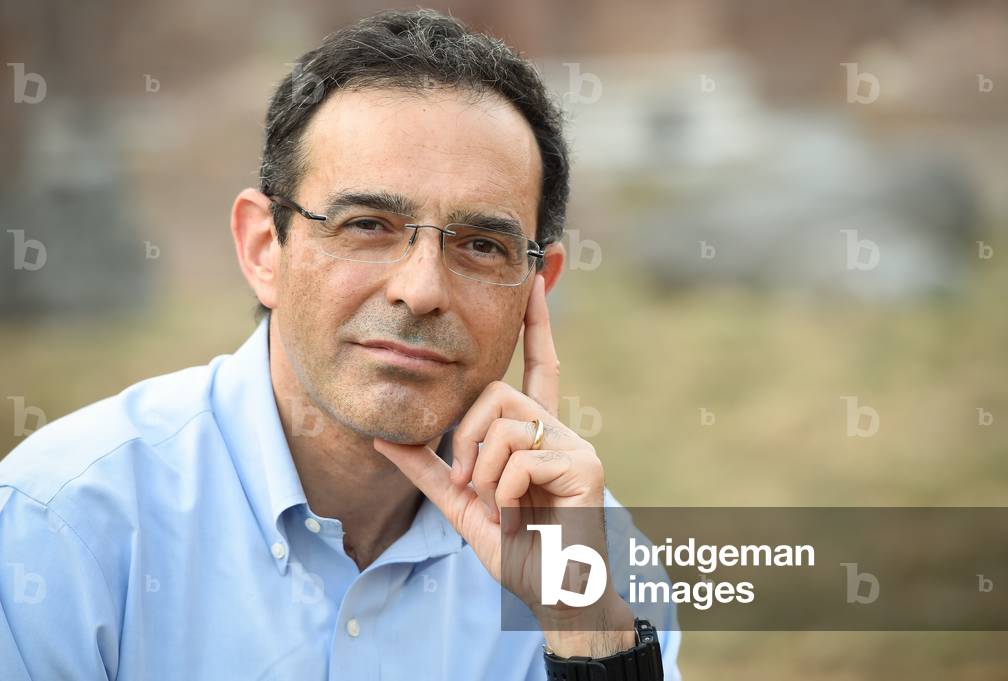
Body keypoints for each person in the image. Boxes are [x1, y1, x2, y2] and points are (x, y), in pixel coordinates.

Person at [0, 9, 681, 679]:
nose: (420, 290)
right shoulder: (59, 528)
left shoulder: (589, 550)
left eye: (480, 245)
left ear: (538, 283)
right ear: (264, 248)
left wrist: (586, 635)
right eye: (368, 225)